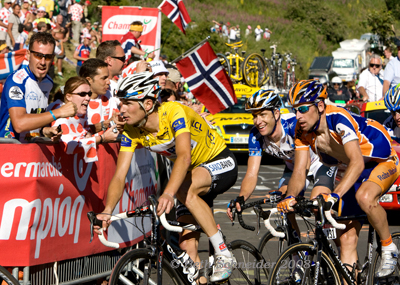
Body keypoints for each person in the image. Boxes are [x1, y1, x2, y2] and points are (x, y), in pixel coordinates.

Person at [94, 72, 238, 283]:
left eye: (127, 103)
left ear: (149, 103)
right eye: (120, 103)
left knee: (184, 190)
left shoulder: (173, 112)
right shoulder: (132, 131)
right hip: (190, 177)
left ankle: (224, 252)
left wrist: (169, 193)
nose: (121, 109)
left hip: (220, 161)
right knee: (187, 249)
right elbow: (119, 175)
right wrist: (108, 211)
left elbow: (184, 156)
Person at [278, 79, 400, 278]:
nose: (297, 116)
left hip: (380, 160)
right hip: (351, 169)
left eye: (302, 109)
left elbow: (358, 162)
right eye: (294, 110)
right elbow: (300, 171)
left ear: (319, 105)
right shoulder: (302, 130)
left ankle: (389, 247)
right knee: (347, 239)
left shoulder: (338, 118)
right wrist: (290, 197)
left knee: (365, 197)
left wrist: (334, 195)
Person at [226, 89, 337, 234]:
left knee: (318, 206)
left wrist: (293, 195)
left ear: (276, 114)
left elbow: (305, 164)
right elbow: (252, 174)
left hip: (320, 163)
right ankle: (296, 253)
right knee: (283, 206)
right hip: (294, 168)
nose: (258, 121)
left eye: (263, 114)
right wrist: (241, 198)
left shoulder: (292, 125)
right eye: (254, 116)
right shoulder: (256, 135)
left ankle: (336, 251)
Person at [0, 32, 77, 142]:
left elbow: (34, 120)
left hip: (30, 149)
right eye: (38, 55)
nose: (42, 62)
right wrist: (58, 112)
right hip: (9, 148)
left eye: (48, 57)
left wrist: (45, 131)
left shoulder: (48, 82)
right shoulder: (16, 81)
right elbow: (19, 124)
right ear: (28, 54)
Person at [48, 76, 118, 162]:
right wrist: (102, 138)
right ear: (68, 97)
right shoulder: (61, 117)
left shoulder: (81, 113)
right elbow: (69, 146)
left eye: (89, 94)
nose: (88, 98)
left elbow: (83, 131)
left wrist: (106, 124)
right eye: (82, 94)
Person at [79, 58, 121, 132]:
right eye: (104, 78)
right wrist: (104, 125)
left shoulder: (112, 89)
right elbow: (78, 131)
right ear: (89, 80)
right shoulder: (75, 100)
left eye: (108, 77)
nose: (108, 82)